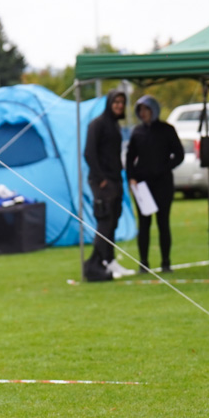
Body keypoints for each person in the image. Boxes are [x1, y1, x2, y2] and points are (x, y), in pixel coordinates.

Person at [126, 95, 184, 273]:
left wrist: (164, 168)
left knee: (163, 223)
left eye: (146, 110)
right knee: (144, 224)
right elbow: (130, 157)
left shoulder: (167, 130)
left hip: (163, 184)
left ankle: (166, 261)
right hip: (143, 185)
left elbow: (179, 154)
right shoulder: (137, 132)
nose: (143, 114)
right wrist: (132, 177)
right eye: (140, 110)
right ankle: (143, 262)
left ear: (153, 110)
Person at [84, 89, 128, 280]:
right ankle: (95, 262)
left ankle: (109, 260)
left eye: (122, 102)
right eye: (116, 102)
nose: (119, 105)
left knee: (114, 222)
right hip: (103, 182)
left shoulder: (115, 125)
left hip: (116, 178)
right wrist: (101, 178)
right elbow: (89, 153)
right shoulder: (98, 124)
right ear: (109, 103)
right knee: (105, 221)